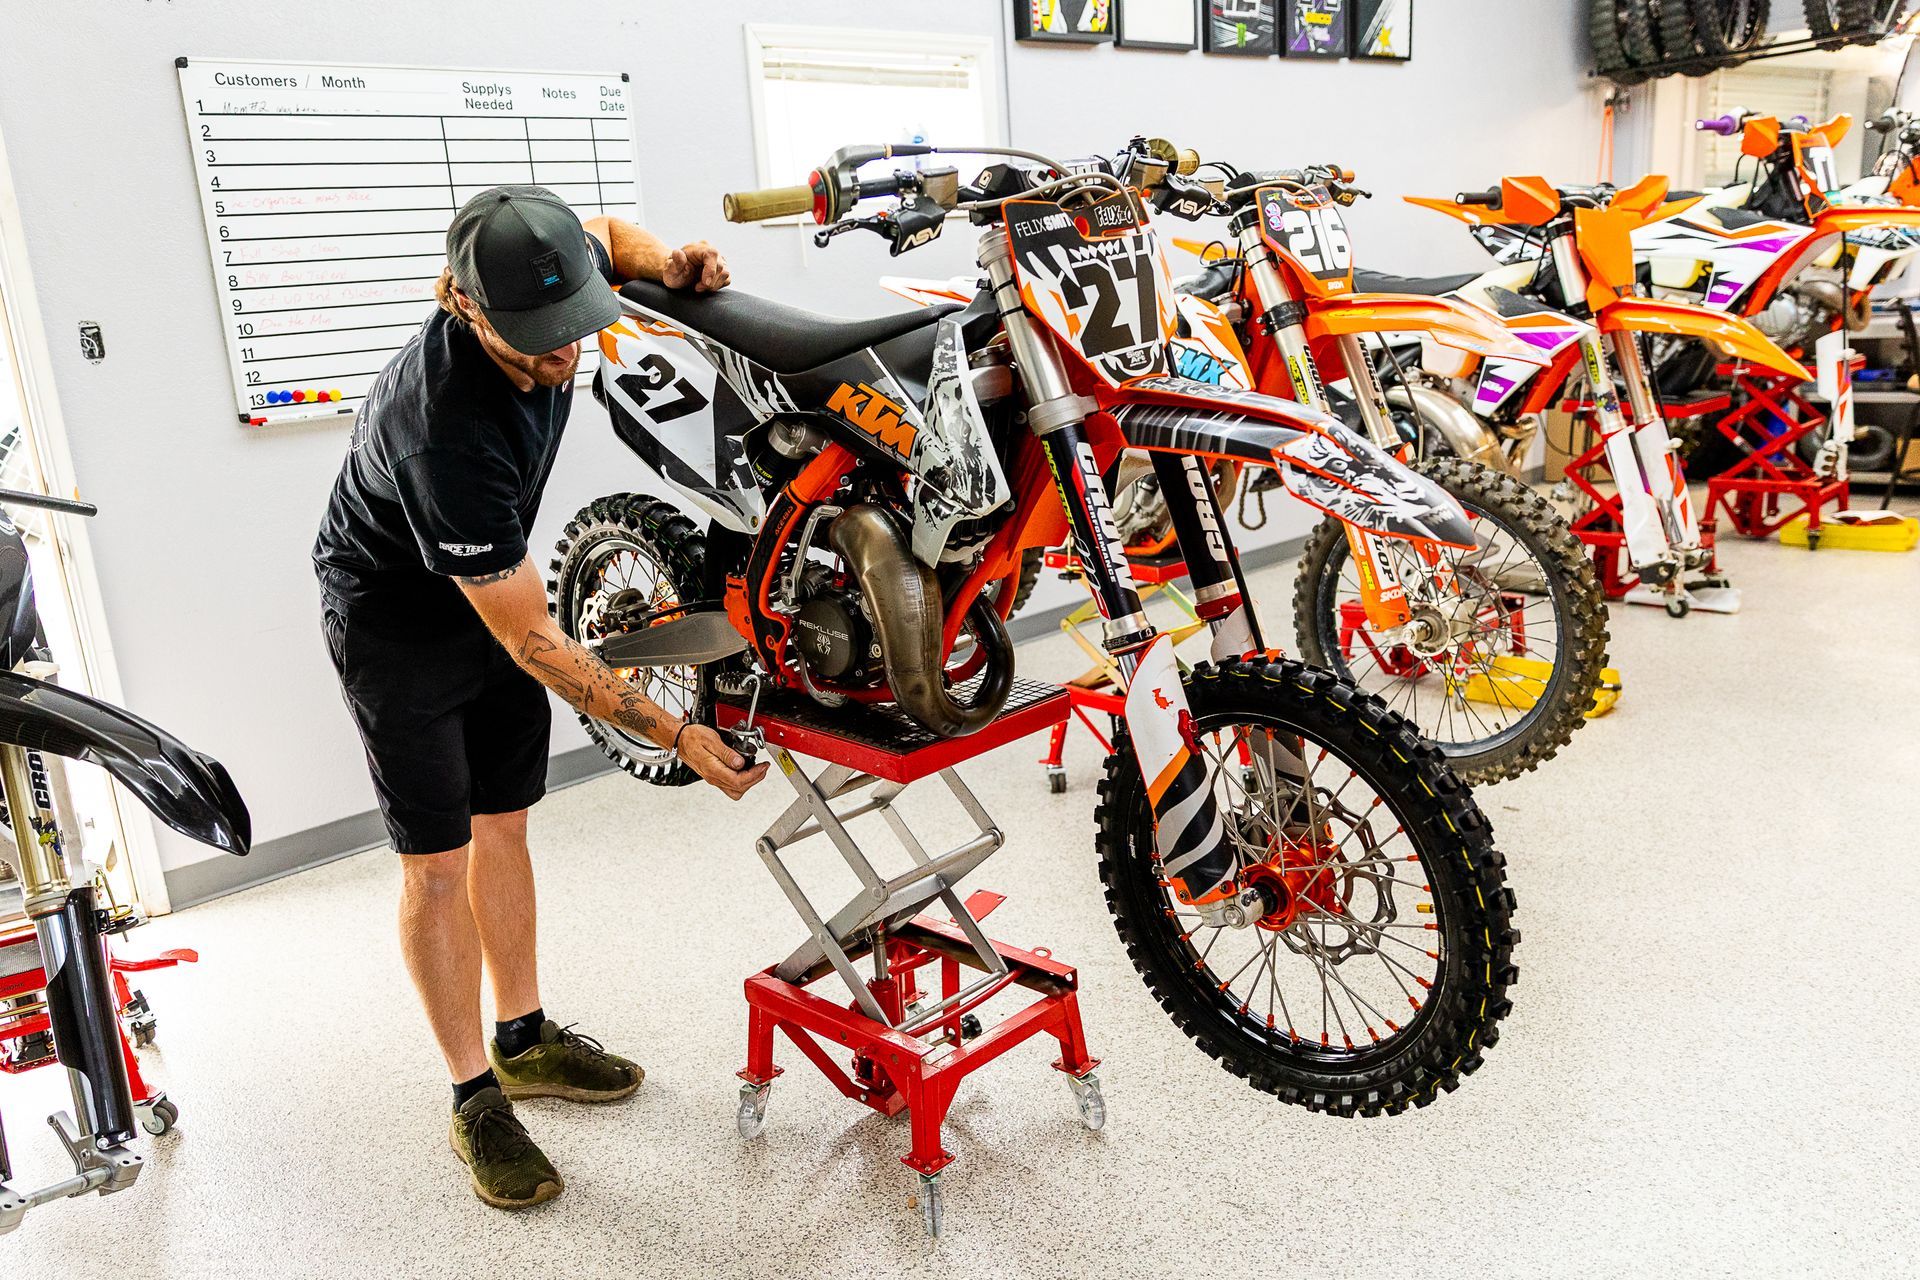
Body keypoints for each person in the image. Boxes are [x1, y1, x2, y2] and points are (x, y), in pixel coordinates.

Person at [312, 186, 767, 1209]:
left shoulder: (555, 270)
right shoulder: (442, 429)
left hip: (495, 580)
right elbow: (531, 638)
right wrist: (678, 730)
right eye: (539, 340)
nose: (566, 354)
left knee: (504, 824)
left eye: (575, 327)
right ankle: (476, 1094)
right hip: (399, 620)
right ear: (463, 305)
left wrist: (674, 262)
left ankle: (523, 1037)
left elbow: (613, 236)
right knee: (438, 864)